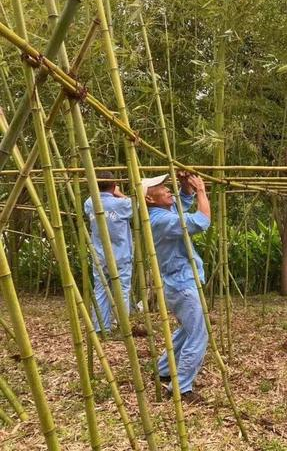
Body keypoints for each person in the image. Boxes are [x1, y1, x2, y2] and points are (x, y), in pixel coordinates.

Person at [143, 172, 210, 404]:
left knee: (187, 329)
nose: (167, 189)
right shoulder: (161, 221)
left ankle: (163, 369)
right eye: (162, 188)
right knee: (199, 334)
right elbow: (201, 221)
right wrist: (201, 190)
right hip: (182, 285)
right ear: (149, 199)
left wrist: (185, 188)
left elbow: (181, 204)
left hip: (178, 283)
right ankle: (180, 387)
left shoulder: (161, 213)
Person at [84, 171, 133, 333]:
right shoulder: (122, 204)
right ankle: (122, 326)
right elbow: (137, 205)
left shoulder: (89, 203)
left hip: (100, 256)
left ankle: (100, 327)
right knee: (122, 291)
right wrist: (119, 194)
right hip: (121, 255)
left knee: (101, 291)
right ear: (114, 185)